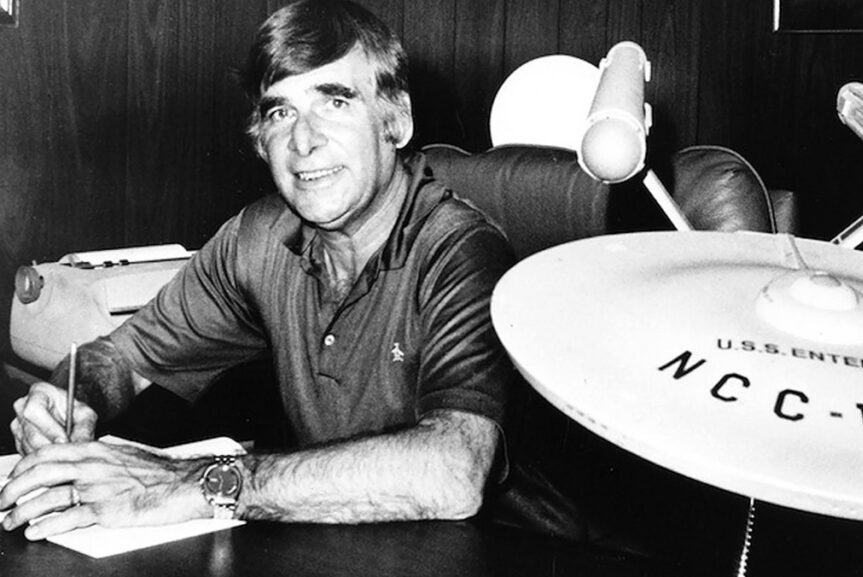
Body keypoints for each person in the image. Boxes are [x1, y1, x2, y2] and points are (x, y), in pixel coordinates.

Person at [1, 0, 516, 540]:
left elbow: (454, 472)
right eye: (280, 112)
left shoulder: (462, 249)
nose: (303, 141)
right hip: (343, 543)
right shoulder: (260, 238)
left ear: (396, 119)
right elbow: (120, 356)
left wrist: (190, 484)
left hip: (504, 552)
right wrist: (70, 399)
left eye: (335, 102)